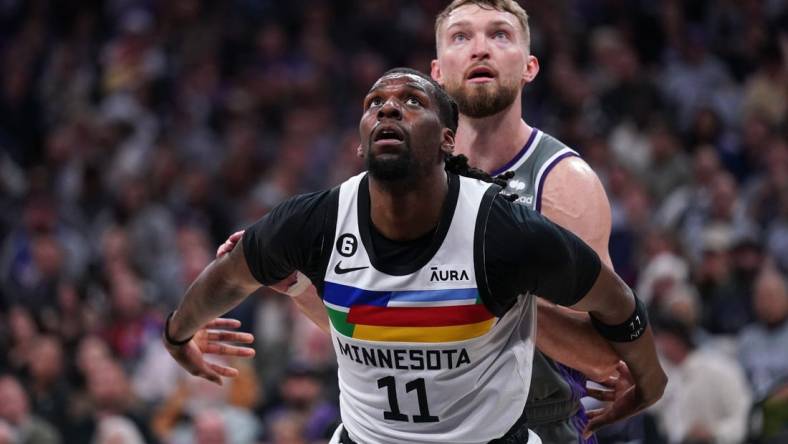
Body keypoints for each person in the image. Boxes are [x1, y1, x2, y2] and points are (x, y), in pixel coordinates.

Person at [163, 68, 666, 444]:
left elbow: (615, 300)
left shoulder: (503, 231)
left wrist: (651, 379)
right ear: (360, 144)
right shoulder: (312, 222)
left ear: (448, 139)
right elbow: (228, 277)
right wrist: (178, 333)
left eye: (410, 101)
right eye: (375, 101)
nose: (387, 108)